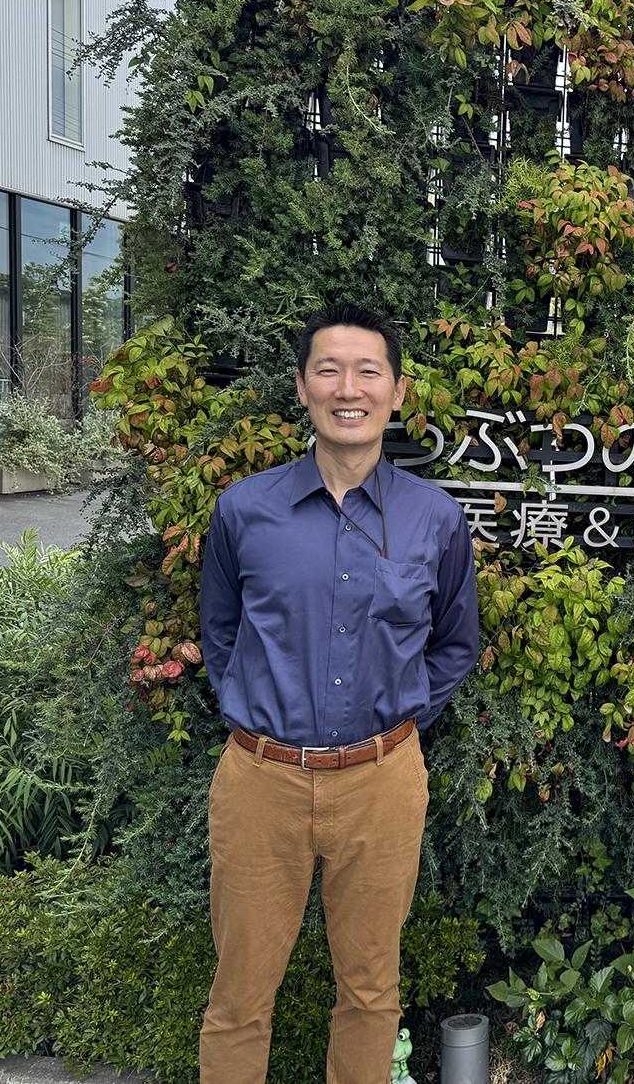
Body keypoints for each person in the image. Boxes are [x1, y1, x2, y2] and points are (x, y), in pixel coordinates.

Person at [197, 304, 479, 1084]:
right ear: (302, 387)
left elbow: (456, 644)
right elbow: (221, 638)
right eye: (329, 369)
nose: (346, 388)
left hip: (383, 780)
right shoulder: (244, 511)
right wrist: (262, 717)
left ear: (395, 392)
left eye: (367, 371)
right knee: (240, 994)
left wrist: (394, 722)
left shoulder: (436, 518)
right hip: (261, 780)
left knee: (370, 991)